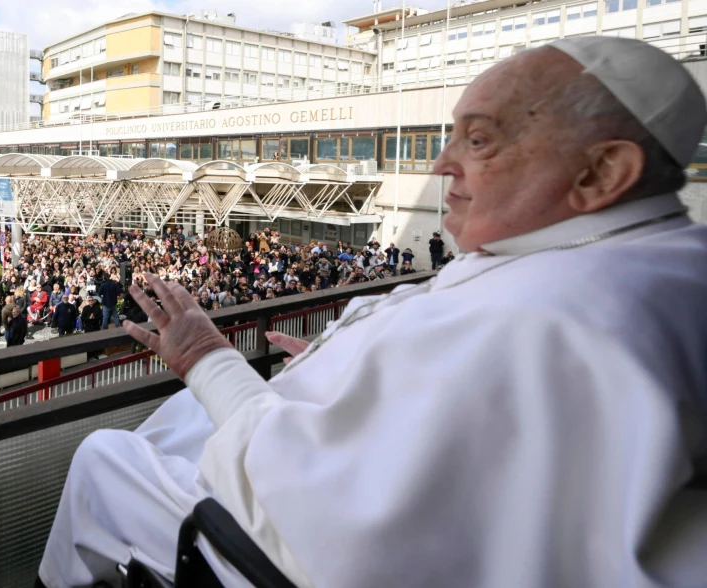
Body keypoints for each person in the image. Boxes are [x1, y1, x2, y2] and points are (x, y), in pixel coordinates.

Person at [38, 37, 707, 587]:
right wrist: (352, 370)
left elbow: (328, 516)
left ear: (601, 172)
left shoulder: (546, 315)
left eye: (479, 140)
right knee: (187, 417)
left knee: (106, 457)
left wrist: (206, 357)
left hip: (283, 549)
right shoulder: (646, 259)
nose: (441, 164)